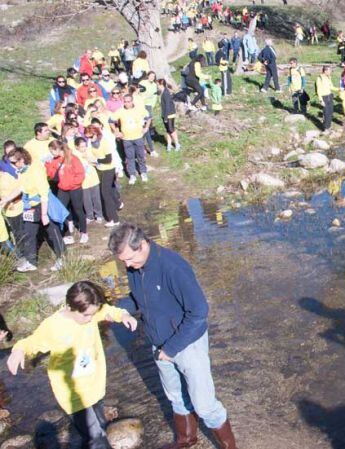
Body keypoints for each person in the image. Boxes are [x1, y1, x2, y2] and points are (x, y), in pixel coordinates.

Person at [108, 223, 238, 449]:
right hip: (158, 343)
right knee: (176, 397)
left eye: (129, 259)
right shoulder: (135, 267)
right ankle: (186, 439)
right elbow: (140, 298)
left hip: (187, 344)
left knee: (205, 405)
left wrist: (171, 348)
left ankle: (230, 447)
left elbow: (199, 312)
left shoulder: (172, 266)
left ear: (142, 245)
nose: (127, 266)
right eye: (123, 262)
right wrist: (118, 309)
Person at [7, 281, 137, 449]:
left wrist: (123, 315)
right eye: (86, 316)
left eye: (93, 314)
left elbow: (108, 311)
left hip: (94, 386)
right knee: (96, 438)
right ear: (70, 307)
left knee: (100, 427)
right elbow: (32, 342)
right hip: (73, 395)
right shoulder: (54, 326)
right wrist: (19, 350)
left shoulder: (90, 313)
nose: (91, 319)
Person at [1, 148, 65, 272]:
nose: (12, 166)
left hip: (43, 204)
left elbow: (44, 194)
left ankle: (62, 258)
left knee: (52, 231)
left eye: (14, 163)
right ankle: (31, 262)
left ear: (22, 160)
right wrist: (6, 199)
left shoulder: (36, 170)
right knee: (29, 233)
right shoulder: (22, 171)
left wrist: (44, 214)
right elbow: (22, 187)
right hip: (30, 206)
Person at [45, 140, 86, 245]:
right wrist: (48, 165)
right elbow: (51, 174)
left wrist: (72, 183)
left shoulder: (73, 159)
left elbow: (80, 174)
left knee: (78, 210)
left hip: (75, 189)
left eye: (52, 151)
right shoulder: (55, 160)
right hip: (63, 189)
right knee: (61, 209)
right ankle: (67, 232)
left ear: (58, 149)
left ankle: (84, 232)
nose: (51, 153)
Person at [85, 122, 120, 227]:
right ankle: (116, 209)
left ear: (96, 133)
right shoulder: (91, 143)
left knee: (105, 194)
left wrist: (96, 160)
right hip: (99, 170)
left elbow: (108, 159)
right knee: (107, 193)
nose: (90, 139)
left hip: (108, 169)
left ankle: (114, 219)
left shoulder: (104, 142)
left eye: (91, 136)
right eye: (88, 137)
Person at [109, 94, 150, 185]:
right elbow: (111, 121)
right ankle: (132, 174)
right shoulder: (120, 111)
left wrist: (146, 128)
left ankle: (143, 172)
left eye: (129, 101)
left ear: (132, 101)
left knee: (140, 155)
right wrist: (116, 131)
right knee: (129, 157)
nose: (127, 103)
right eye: (125, 102)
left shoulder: (139, 109)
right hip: (126, 138)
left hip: (138, 137)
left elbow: (148, 117)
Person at [157, 79, 180, 152]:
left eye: (158, 84)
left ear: (161, 84)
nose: (157, 86)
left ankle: (177, 144)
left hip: (169, 114)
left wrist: (166, 117)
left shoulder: (166, 93)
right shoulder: (163, 92)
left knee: (171, 129)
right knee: (168, 130)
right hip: (165, 114)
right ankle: (169, 144)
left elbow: (167, 105)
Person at [315, 66, 337, 131]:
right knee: (326, 112)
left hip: (330, 96)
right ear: (325, 71)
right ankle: (325, 128)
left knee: (331, 112)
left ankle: (329, 126)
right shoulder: (319, 78)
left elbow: (331, 87)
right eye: (329, 70)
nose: (330, 72)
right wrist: (321, 100)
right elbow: (318, 90)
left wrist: (339, 89)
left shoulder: (328, 77)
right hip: (324, 97)